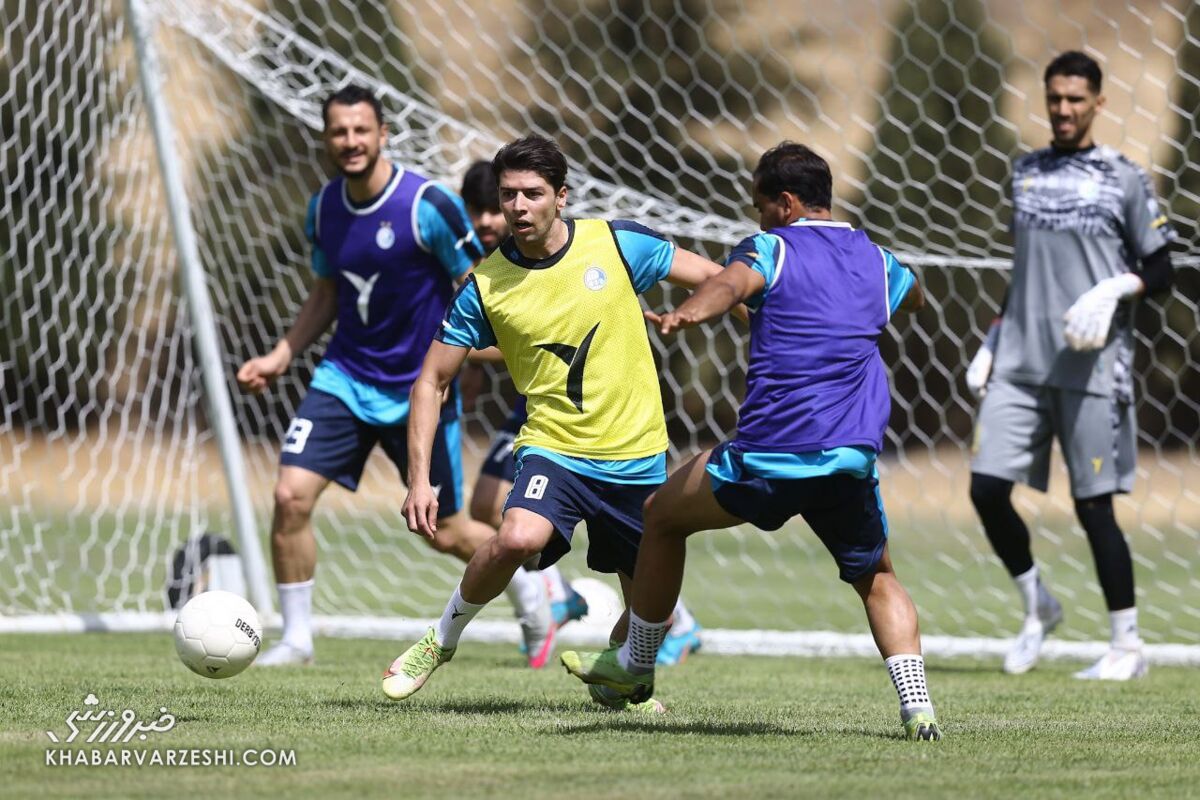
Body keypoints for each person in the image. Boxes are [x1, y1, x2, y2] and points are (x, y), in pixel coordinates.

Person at [561, 142, 941, 742]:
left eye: (760, 206)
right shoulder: (877, 260)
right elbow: (915, 293)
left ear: (786, 204)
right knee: (878, 577)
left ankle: (635, 663)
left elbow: (732, 283)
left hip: (769, 456)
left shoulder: (774, 247)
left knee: (661, 513)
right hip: (848, 459)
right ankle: (917, 707)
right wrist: (900, 299)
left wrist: (690, 313)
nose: (757, 218)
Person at [380, 135, 727, 710]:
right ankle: (439, 641)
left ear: (561, 198)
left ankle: (625, 682)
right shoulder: (485, 286)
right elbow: (430, 381)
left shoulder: (616, 245)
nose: (518, 206)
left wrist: (769, 315)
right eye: (508, 194)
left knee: (655, 613)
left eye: (532, 194)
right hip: (554, 449)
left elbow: (721, 279)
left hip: (638, 454)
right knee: (517, 534)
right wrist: (420, 479)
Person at [236, 85, 553, 668]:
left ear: (383, 135)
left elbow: (477, 288)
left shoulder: (426, 205)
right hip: (345, 377)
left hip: (419, 388)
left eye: (361, 130)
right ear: (326, 138)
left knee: (445, 530)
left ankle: (532, 593)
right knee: (289, 495)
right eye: (339, 131)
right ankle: (298, 639)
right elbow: (327, 292)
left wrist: (496, 354)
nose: (350, 141)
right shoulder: (324, 209)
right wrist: (284, 353)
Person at [964, 52, 1176, 681]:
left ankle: (1127, 646)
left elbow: (1162, 269)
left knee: (1093, 507)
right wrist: (993, 340)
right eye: (1055, 98)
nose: (1063, 110)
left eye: (1076, 99)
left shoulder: (1124, 177)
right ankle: (1039, 605)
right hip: (1021, 365)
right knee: (985, 488)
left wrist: (1115, 290)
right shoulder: (1024, 173)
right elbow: (1024, 273)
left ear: (1098, 104)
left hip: (1091, 369)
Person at [459, 161, 703, 664]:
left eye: (497, 205)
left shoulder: (588, 246)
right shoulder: (485, 267)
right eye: (483, 208)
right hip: (544, 404)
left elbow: (553, 330)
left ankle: (665, 617)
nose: (491, 218)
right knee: (489, 507)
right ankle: (558, 594)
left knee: (497, 507)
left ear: (556, 198)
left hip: (594, 409)